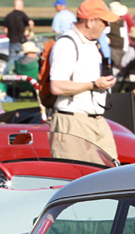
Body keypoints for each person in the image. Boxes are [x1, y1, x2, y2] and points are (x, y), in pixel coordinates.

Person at [49, 0, 118, 163]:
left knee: (113, 173)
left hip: (97, 119)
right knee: (77, 178)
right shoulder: (66, 44)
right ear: (90, 21)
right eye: (104, 21)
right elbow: (56, 86)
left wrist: (103, 83)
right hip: (72, 122)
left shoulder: (92, 45)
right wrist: (93, 85)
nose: (106, 26)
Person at [3, 0, 32, 73]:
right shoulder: (22, 14)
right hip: (21, 40)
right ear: (21, 5)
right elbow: (30, 23)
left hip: (12, 41)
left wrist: (9, 36)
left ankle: (7, 75)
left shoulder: (8, 16)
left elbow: (5, 30)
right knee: (22, 59)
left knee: (11, 59)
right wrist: (30, 32)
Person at [106, 0, 130, 69]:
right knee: (115, 66)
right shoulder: (109, 23)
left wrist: (126, 48)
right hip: (113, 49)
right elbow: (105, 35)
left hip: (122, 48)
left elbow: (125, 35)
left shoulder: (122, 22)